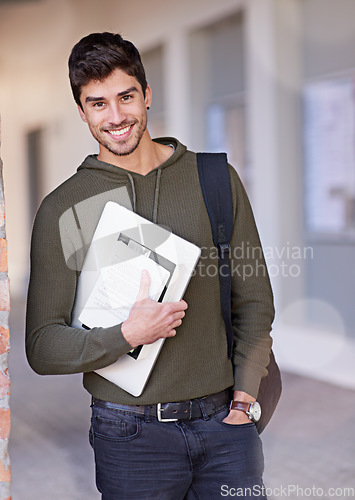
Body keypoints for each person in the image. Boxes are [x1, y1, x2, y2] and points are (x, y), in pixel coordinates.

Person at [26, 32, 275, 499]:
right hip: (129, 436)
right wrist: (125, 336)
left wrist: (245, 393)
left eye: (126, 97)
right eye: (97, 104)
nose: (116, 117)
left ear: (147, 95)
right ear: (81, 112)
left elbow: (255, 298)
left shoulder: (214, 178)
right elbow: (42, 346)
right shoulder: (66, 208)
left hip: (225, 426)